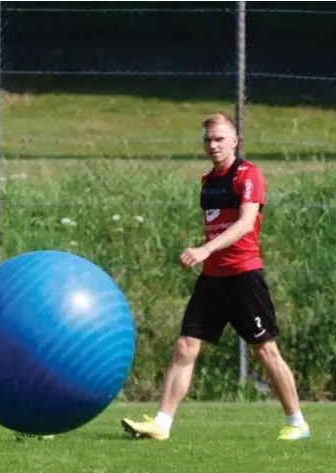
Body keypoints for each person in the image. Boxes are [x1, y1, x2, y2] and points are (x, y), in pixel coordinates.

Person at [121, 112, 311, 442]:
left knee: (265, 351)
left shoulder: (248, 175)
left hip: (243, 277)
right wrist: (206, 256)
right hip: (212, 280)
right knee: (185, 347)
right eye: (208, 139)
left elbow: (245, 223)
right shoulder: (207, 182)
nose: (213, 145)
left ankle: (297, 423)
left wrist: (205, 249)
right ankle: (161, 425)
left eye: (220, 139)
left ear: (234, 141)